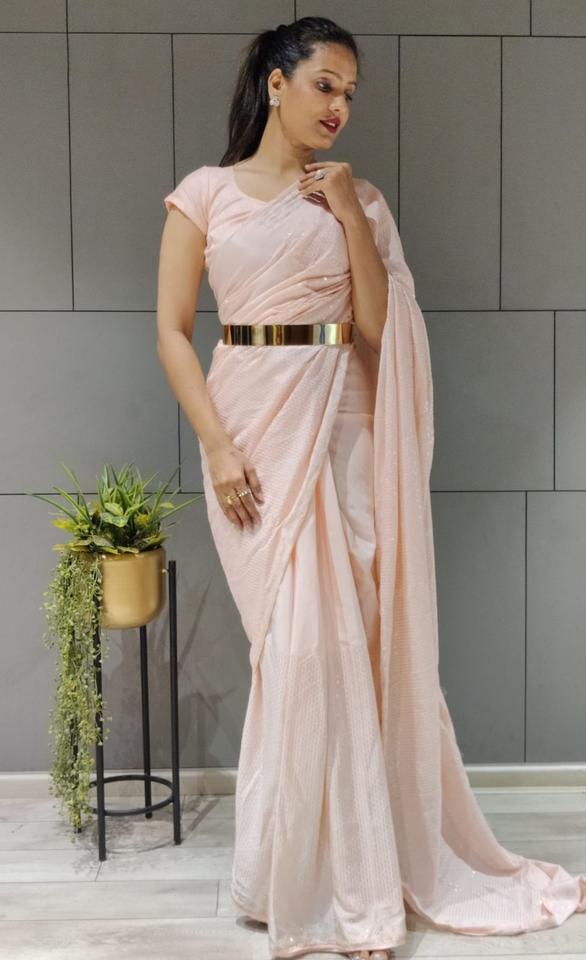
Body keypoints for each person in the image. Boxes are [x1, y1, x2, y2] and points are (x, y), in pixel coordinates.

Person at [157, 15, 586, 960]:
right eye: (325, 85)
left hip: (347, 427)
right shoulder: (205, 195)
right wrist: (218, 448)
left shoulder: (363, 200)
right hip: (253, 430)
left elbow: (386, 334)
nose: (339, 106)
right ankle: (294, 877)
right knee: (297, 654)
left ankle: (354, 896)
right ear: (276, 83)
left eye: (350, 93)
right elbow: (172, 331)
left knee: (348, 649)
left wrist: (350, 214)